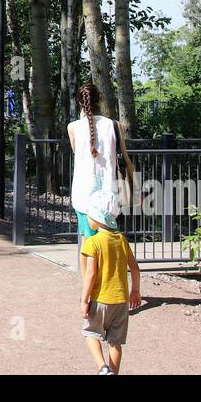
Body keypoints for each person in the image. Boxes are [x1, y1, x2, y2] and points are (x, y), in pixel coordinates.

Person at [68, 80, 135, 283]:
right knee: (109, 243)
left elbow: (77, 153)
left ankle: (88, 290)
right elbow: (126, 159)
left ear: (80, 103)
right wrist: (135, 188)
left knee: (87, 245)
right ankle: (110, 286)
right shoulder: (116, 126)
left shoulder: (73, 127)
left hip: (83, 195)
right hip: (108, 196)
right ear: (101, 99)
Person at [79, 190, 141, 375]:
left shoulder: (93, 242)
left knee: (90, 334)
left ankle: (102, 367)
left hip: (100, 299)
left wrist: (84, 299)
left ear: (97, 218)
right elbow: (135, 268)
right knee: (115, 342)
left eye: (89, 214)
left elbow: (91, 274)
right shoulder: (121, 239)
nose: (88, 218)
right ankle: (114, 372)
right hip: (121, 301)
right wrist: (135, 291)